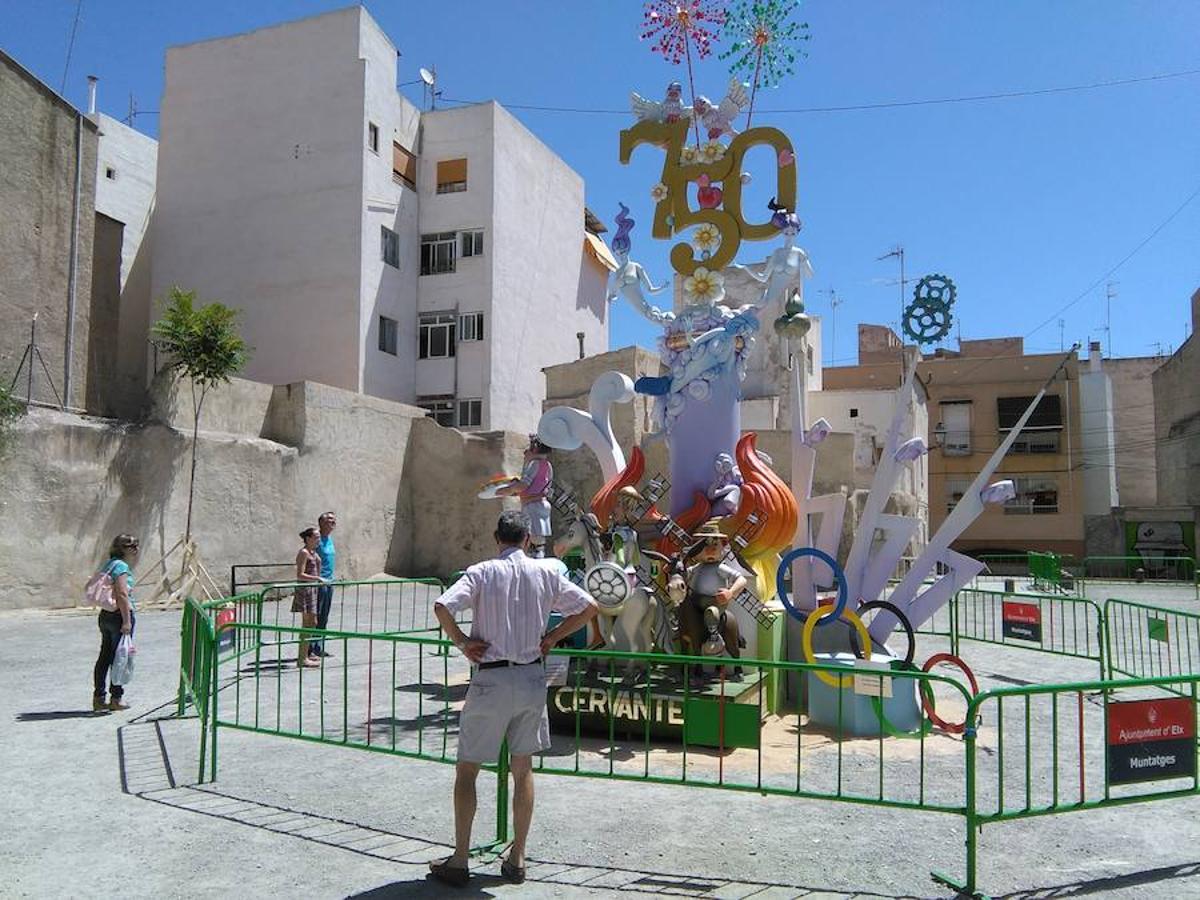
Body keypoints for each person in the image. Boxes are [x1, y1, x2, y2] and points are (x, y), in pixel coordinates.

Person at [429, 510, 598, 887]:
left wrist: (461, 642)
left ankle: (460, 859)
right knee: (523, 769)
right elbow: (590, 607)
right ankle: (517, 856)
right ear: (527, 539)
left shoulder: (481, 572)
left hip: (491, 677)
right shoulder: (546, 572)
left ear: (497, 538)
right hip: (530, 676)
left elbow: (442, 605)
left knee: (468, 769)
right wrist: (553, 638)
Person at [679, 519, 748, 671]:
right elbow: (682, 577)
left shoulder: (721, 568)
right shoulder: (696, 568)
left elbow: (741, 579)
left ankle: (714, 637)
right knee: (685, 608)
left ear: (722, 546)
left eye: (714, 545)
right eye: (704, 546)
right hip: (696, 602)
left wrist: (730, 592)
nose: (709, 550)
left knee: (712, 613)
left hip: (716, 604)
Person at [93, 534, 140, 712]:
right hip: (119, 615)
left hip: (106, 615)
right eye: (131, 546)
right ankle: (116, 698)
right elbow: (122, 594)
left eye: (136, 545)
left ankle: (99, 698)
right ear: (121, 548)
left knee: (104, 657)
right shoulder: (121, 566)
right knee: (119, 657)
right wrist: (127, 621)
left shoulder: (109, 564)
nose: (135, 549)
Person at [499, 438, 553, 558]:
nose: (525, 452)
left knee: (531, 541)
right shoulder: (548, 466)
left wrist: (506, 490)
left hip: (533, 505)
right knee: (538, 542)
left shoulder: (535, 464)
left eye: (529, 448)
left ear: (535, 449)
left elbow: (523, 485)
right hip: (540, 504)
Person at [291, 527, 323, 668]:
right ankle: (302, 658)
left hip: (313, 589)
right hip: (305, 590)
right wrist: (318, 578)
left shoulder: (313, 553)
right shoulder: (303, 553)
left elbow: (318, 566)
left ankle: (306, 654)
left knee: (313, 622)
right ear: (308, 538)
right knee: (307, 623)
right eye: (316, 537)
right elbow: (300, 574)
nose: (318, 540)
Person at [309, 510, 337, 658]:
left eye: (334, 520)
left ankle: (319, 647)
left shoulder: (329, 539)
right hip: (318, 584)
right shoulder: (317, 539)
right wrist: (316, 578)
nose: (334, 522)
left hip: (329, 583)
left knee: (324, 617)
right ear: (321, 523)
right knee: (315, 617)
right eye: (330, 520)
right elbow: (309, 559)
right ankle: (309, 649)